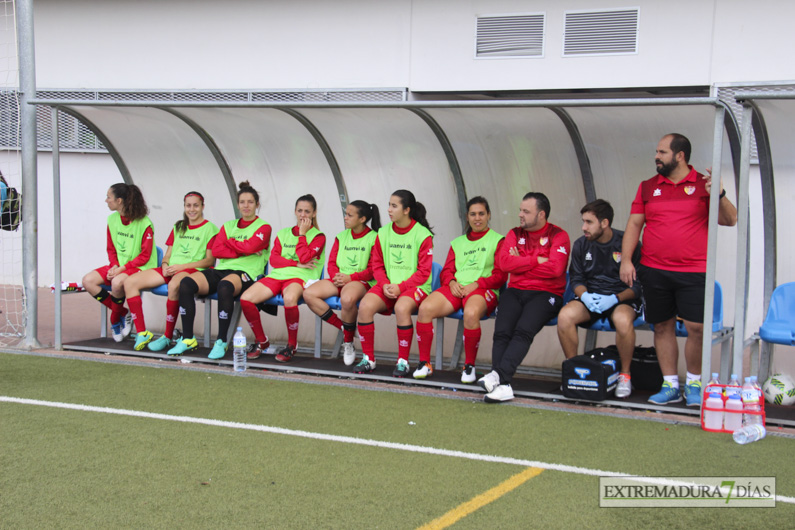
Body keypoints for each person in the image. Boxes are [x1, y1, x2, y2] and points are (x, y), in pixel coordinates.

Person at [620, 133, 737, 407]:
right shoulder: (648, 187)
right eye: (657, 152)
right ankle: (670, 385)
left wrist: (718, 194)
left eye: (661, 152)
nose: (656, 157)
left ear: (680, 155)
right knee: (662, 326)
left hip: (695, 270)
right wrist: (626, 260)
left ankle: (694, 385)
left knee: (696, 328)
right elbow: (635, 224)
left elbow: (730, 219)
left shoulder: (703, 185)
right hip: (654, 270)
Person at [477, 192, 570, 403]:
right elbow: (504, 264)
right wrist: (537, 260)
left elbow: (556, 269)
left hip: (547, 294)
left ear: (541, 214)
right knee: (501, 332)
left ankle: (498, 377)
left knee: (522, 331)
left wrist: (521, 264)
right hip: (516, 290)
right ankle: (503, 385)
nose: (520, 214)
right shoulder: (514, 233)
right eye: (520, 209)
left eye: (526, 211)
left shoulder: (559, 235)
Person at [167, 181, 271, 359]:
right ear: (238, 204)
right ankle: (187, 338)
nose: (246, 206)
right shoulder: (228, 226)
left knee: (225, 286)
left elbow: (247, 246)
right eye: (242, 202)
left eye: (250, 202)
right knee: (186, 283)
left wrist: (232, 245)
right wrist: (244, 248)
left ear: (257, 204)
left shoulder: (264, 227)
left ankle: (221, 341)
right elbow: (217, 250)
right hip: (222, 268)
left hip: (246, 273)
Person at [556, 199, 642, 398]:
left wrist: (614, 299)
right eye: (583, 222)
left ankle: (625, 376)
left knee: (622, 319)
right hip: (591, 299)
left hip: (620, 299)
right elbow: (576, 278)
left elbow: (638, 287)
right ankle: (576, 371)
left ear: (604, 223)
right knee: (565, 316)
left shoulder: (628, 244)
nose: (583, 227)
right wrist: (584, 296)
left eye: (589, 222)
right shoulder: (580, 244)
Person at [413, 196, 506, 382]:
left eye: (481, 214)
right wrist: (453, 282)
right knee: (424, 309)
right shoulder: (458, 243)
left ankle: (469, 366)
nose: (477, 218)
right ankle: (425, 363)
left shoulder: (498, 240)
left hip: (482, 289)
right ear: (467, 217)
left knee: (471, 313)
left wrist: (477, 284)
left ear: (488, 215)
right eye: (473, 214)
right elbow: (447, 271)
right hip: (457, 289)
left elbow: (501, 275)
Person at [122, 192, 218, 351]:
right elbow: (167, 255)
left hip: (192, 270)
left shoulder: (210, 228)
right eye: (188, 205)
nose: (192, 209)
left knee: (174, 285)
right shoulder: (178, 226)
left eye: (196, 205)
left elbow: (209, 261)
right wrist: (165, 265)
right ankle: (142, 333)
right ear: (184, 207)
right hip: (171, 268)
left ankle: (167, 336)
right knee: (130, 282)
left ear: (202, 207)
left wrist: (181, 267)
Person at [353, 189, 434, 377]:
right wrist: (384, 285)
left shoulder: (422, 235)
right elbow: (377, 265)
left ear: (406, 210)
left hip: (415, 287)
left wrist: (400, 287)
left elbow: (423, 273)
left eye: (394, 206)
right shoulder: (383, 232)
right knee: (365, 306)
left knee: (402, 308)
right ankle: (368, 359)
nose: (389, 209)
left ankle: (403, 362)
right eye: (389, 205)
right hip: (387, 286)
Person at [239, 194, 326, 362]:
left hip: (301, 278)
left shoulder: (318, 236)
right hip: (278, 276)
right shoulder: (284, 233)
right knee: (246, 299)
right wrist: (295, 264)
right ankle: (262, 341)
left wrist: (302, 234)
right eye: (299, 211)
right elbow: (274, 260)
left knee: (290, 298)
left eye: (307, 211)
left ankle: (292, 345)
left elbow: (305, 259)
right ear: (294, 211)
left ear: (314, 213)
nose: (303, 215)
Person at [302, 200, 381, 366]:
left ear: (362, 219)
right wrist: (336, 276)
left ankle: (348, 343)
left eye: (350, 215)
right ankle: (346, 329)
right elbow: (331, 262)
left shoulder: (374, 238)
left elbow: (374, 269)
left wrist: (350, 278)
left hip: (360, 281)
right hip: (339, 279)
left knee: (347, 298)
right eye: (346, 214)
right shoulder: (341, 236)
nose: (345, 218)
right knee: (308, 293)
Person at [82, 183, 156, 342]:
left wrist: (122, 268)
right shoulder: (112, 219)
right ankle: (123, 313)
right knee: (88, 281)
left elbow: (145, 255)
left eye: (109, 197)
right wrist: (115, 265)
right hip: (119, 266)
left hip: (140, 268)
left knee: (116, 283)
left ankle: (114, 321)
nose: (106, 200)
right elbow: (111, 248)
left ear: (119, 201)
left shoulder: (144, 223)